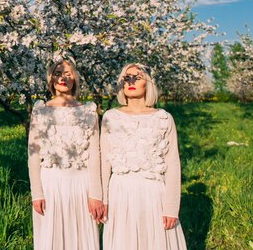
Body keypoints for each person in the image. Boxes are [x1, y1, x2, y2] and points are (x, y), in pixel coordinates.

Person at [101, 63, 187, 250]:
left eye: (136, 77)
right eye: (126, 78)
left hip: (153, 192)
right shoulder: (110, 117)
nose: (131, 81)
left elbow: (172, 164)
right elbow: (104, 163)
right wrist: (104, 199)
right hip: (120, 192)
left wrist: (172, 208)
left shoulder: (164, 118)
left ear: (147, 83)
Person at [28, 57, 103, 250]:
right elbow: (33, 154)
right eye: (58, 73)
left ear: (75, 79)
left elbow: (95, 153)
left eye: (68, 74)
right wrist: (37, 193)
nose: (63, 78)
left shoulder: (88, 111)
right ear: (51, 79)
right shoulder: (41, 110)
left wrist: (96, 193)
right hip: (51, 183)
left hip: (81, 183)